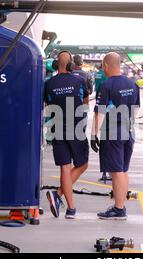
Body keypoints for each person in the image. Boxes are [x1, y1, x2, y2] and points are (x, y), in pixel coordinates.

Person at [91, 52, 140, 220]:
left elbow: (99, 113)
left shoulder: (106, 86)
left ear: (105, 65)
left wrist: (93, 135)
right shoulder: (132, 84)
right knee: (123, 171)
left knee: (116, 171)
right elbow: (136, 110)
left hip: (113, 132)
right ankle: (120, 206)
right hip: (129, 130)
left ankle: (119, 209)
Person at [44, 51, 90, 219]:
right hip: (76, 128)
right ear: (71, 65)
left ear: (57, 64)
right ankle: (57, 194)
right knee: (83, 164)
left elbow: (48, 104)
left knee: (65, 167)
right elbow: (85, 101)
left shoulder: (49, 84)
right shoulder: (79, 80)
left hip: (57, 128)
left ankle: (71, 210)